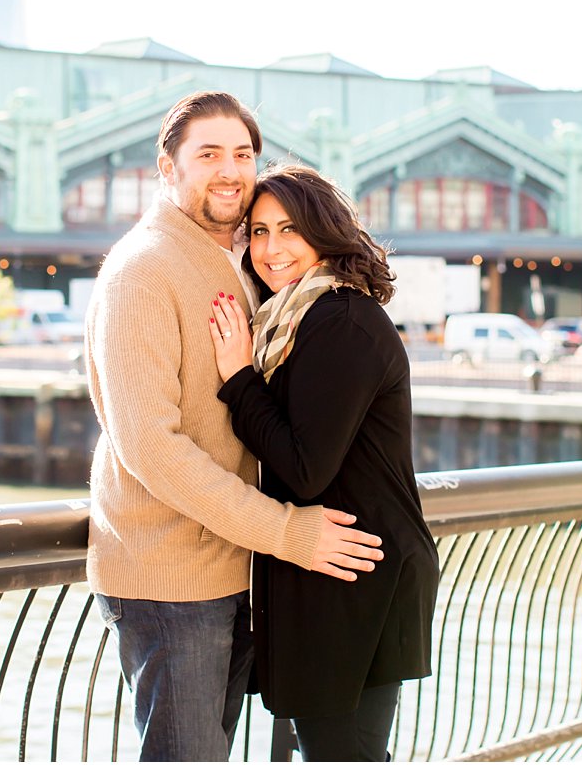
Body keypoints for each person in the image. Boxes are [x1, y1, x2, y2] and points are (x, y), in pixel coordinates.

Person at [84, 91, 386, 763]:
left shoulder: (241, 264)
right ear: (168, 168)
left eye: (243, 153)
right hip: (169, 579)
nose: (230, 170)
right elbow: (150, 448)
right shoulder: (143, 271)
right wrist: (284, 532)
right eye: (208, 154)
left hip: (234, 568)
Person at [209, 164, 438, 762]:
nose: (271, 248)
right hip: (333, 563)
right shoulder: (294, 319)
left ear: (326, 232)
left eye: (289, 229)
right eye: (257, 232)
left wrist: (237, 379)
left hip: (354, 573)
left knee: (342, 752)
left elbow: (306, 465)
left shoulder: (338, 319)